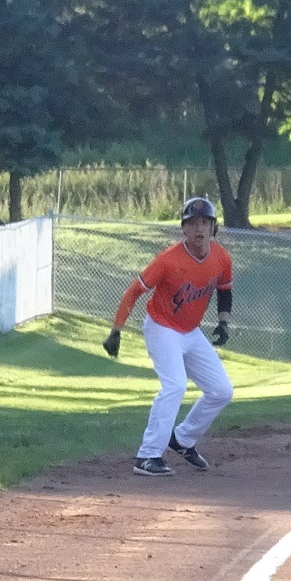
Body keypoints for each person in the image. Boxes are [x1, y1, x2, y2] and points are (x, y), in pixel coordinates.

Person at [102, 196, 235, 476]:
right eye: (192, 223)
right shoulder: (168, 260)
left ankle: (183, 439)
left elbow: (225, 290)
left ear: (214, 228)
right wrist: (116, 329)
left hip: (190, 331)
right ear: (183, 229)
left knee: (221, 390)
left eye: (205, 222)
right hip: (161, 327)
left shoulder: (221, 258)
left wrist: (223, 323)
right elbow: (134, 291)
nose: (199, 229)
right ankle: (147, 455)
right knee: (175, 385)